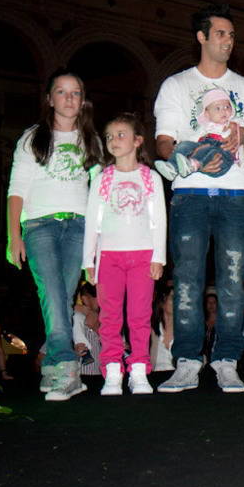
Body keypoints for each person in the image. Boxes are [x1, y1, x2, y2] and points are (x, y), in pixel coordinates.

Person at [154, 2, 244, 394]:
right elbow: (163, 142)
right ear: (201, 37)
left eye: (231, 35)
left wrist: (243, 136)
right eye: (220, 33)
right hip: (190, 195)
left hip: (235, 194)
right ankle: (187, 360)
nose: (228, 41)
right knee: (187, 277)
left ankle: (226, 360)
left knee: (234, 277)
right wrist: (190, 156)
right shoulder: (176, 85)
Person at [7, 70, 101, 401]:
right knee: (52, 293)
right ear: (50, 99)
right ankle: (67, 366)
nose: (69, 98)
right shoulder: (33, 137)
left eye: (75, 92)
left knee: (63, 295)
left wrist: (97, 241)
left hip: (79, 226)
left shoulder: (91, 139)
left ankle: (52, 368)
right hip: (40, 225)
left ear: (83, 100)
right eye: (61, 92)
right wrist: (13, 235)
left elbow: (99, 192)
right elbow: (17, 189)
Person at [82, 113, 166, 395]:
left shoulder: (150, 177)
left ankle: (139, 369)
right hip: (109, 257)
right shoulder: (102, 179)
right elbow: (92, 222)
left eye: (121, 135)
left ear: (137, 140)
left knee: (140, 315)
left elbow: (159, 220)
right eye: (109, 136)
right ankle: (112, 370)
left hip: (142, 256)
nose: (113, 141)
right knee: (110, 316)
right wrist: (89, 260)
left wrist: (158, 257)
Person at [155, 89, 242, 181]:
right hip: (205, 146)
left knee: (211, 152)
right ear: (207, 114)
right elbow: (194, 139)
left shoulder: (232, 123)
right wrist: (184, 146)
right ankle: (172, 167)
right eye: (218, 108)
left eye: (227, 107)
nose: (224, 111)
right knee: (185, 145)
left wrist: (237, 129)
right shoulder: (205, 127)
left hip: (223, 154)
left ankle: (193, 165)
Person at [72, 282, 102, 379]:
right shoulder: (71, 319)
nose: (103, 300)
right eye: (98, 296)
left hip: (104, 378)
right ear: (85, 299)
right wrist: (74, 352)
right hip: (79, 377)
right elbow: (42, 357)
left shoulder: (107, 319)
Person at [150, 286, 175, 373]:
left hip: (178, 376)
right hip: (155, 375)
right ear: (162, 302)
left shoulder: (183, 330)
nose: (177, 302)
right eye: (173, 298)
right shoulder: (152, 328)